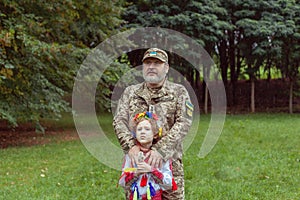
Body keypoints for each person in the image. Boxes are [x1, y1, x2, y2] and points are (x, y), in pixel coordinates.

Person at [113, 48, 193, 199]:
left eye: (157, 63)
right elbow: (119, 121)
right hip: (137, 166)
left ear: (166, 68)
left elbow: (184, 122)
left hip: (169, 165)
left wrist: (160, 150)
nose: (151, 66)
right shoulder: (131, 92)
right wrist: (130, 146)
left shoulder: (178, 92)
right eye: (148, 63)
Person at [119, 111, 177, 200]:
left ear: (155, 134)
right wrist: (135, 173)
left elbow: (168, 183)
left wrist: (151, 170)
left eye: (147, 129)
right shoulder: (131, 155)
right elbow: (122, 183)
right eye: (139, 129)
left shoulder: (160, 156)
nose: (142, 132)